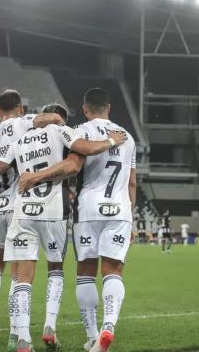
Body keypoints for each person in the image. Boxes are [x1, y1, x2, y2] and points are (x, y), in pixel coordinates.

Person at [0, 101, 127, 352]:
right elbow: (78, 158)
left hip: (23, 213)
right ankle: (50, 326)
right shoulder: (61, 131)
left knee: (22, 278)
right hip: (53, 212)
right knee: (56, 269)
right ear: (58, 118)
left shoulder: (20, 140)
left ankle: (23, 338)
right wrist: (112, 141)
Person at [18, 88, 136, 352]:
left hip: (87, 210)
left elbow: (72, 166)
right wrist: (131, 217)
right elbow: (132, 182)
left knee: (85, 274)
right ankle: (109, 326)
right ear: (109, 107)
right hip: (120, 210)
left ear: (85, 109)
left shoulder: (80, 131)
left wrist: (35, 176)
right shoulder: (127, 137)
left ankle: (93, 335)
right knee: (113, 272)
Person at [0, 89, 63, 348]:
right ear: (20, 109)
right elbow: (49, 118)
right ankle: (15, 335)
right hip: (18, 207)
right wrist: (57, 120)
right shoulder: (23, 122)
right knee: (18, 273)